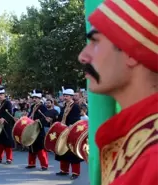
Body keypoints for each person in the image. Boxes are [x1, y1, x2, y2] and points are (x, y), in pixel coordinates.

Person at [78, 1, 158, 184]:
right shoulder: (138, 138)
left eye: (95, 41)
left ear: (131, 52)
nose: (82, 56)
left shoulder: (153, 159)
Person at [56, 88, 82, 180]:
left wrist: (69, 127)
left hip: (71, 131)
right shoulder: (64, 106)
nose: (65, 97)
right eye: (64, 96)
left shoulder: (75, 106)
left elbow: (76, 119)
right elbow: (60, 117)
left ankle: (75, 172)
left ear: (71, 97)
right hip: (63, 131)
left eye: (66, 96)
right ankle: (64, 170)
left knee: (72, 152)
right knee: (62, 150)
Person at [25, 90, 49, 170]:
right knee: (31, 146)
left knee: (40, 148)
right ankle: (31, 163)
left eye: (36, 98)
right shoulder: (32, 106)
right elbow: (30, 116)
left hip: (39, 129)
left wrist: (39, 121)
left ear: (40, 98)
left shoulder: (43, 107)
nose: (34, 99)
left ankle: (44, 165)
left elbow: (45, 118)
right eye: (33, 98)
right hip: (32, 129)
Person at [0, 87, 15, 164]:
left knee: (7, 142)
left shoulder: (8, 103)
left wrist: (4, 119)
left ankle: (9, 159)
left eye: (1, 95)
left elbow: (10, 114)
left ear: (4, 95)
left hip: (6, 125)